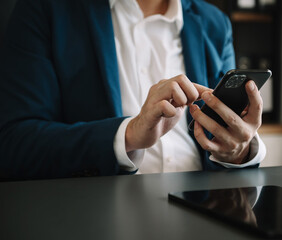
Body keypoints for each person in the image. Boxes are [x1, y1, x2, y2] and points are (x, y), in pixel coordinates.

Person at [0, 0, 266, 180]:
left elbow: (228, 133)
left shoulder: (215, 23)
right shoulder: (45, 10)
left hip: (204, 212)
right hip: (97, 215)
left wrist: (240, 150)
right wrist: (128, 135)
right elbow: (14, 143)